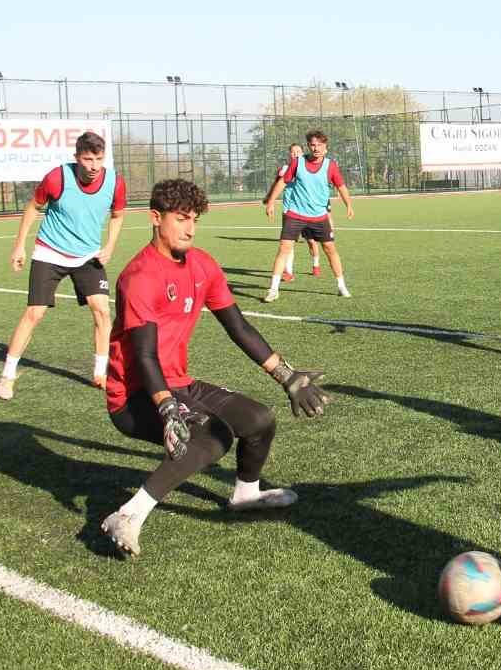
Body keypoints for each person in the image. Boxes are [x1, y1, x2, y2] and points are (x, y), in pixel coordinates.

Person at [99, 179, 331, 559]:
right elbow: (144, 356)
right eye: (180, 219)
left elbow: (237, 326)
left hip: (180, 382)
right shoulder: (139, 277)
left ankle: (245, 494)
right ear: (155, 218)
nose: (189, 228)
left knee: (259, 420)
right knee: (212, 439)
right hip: (135, 396)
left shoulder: (202, 265)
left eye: (194, 219)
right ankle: (127, 515)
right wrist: (166, 407)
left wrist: (285, 375)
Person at [0, 131, 126, 400]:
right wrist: (20, 246)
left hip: (88, 255)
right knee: (35, 313)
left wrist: (110, 246)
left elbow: (118, 215)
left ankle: (101, 372)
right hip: (50, 252)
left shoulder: (114, 181)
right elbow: (32, 208)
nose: (93, 166)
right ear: (76, 157)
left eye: (99, 159)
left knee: (101, 310)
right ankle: (7, 376)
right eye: (88, 159)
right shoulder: (57, 177)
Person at [263, 130, 354, 301]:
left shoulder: (331, 166)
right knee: (284, 248)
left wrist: (348, 204)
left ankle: (341, 286)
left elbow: (341, 186)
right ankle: (273, 289)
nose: (316, 148)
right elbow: (283, 181)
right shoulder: (297, 162)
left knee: (330, 249)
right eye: (313, 145)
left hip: (319, 216)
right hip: (295, 214)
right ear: (308, 146)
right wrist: (271, 201)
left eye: (319, 145)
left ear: (325, 147)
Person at [263, 143, 321, 282]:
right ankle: (288, 272)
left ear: (302, 153)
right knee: (288, 244)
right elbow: (277, 185)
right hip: (289, 211)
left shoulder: (308, 168)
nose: (295, 153)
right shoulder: (284, 169)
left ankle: (316, 265)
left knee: (312, 241)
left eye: (298, 151)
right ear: (289, 154)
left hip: (308, 211)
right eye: (293, 152)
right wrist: (270, 201)